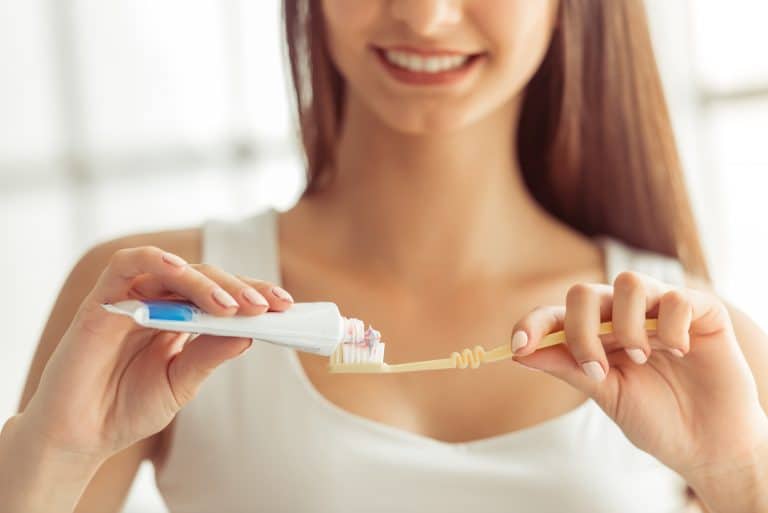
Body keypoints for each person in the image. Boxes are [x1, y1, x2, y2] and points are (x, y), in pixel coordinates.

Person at [2, 1, 767, 512]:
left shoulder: (695, 345)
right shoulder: (154, 306)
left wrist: (738, 476)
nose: (426, 16)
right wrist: (51, 454)